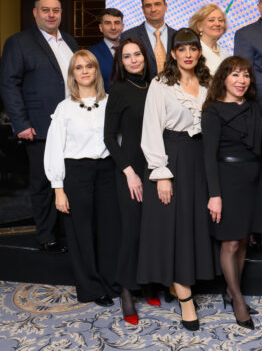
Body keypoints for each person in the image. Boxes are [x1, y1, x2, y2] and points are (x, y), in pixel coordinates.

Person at [138, 28, 219, 331]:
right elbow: (151, 129)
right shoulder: (161, 84)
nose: (187, 54)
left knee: (192, 226)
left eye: (193, 49)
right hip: (173, 157)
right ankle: (186, 300)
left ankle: (179, 283)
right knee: (173, 227)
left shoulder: (209, 83)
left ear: (199, 52)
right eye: (181, 49)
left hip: (201, 159)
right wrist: (161, 173)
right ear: (172, 53)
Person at [0, 0, 79, 253]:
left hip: (72, 125)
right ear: (35, 13)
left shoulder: (69, 40)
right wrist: (21, 123)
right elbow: (9, 84)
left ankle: (67, 232)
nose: (51, 15)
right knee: (44, 183)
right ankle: (47, 237)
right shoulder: (19, 42)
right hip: (40, 126)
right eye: (45, 10)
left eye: (56, 10)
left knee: (68, 180)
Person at [43, 50, 119, 307]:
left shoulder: (111, 102)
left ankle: (111, 282)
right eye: (79, 67)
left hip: (108, 172)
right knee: (81, 233)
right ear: (72, 74)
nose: (85, 71)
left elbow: (119, 140)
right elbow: (54, 148)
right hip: (77, 173)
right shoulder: (64, 108)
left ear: (96, 70)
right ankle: (92, 288)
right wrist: (58, 188)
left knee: (109, 230)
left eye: (89, 66)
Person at [202, 56, 262, 331]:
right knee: (229, 243)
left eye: (246, 75)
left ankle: (232, 290)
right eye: (235, 75)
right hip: (226, 181)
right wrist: (214, 194)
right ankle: (238, 300)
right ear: (224, 78)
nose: (241, 81)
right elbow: (208, 156)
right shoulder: (213, 110)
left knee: (242, 240)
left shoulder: (254, 107)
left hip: (251, 180)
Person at [102, 37, 151, 325]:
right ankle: (126, 291)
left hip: (154, 167)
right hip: (130, 169)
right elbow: (109, 137)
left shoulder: (153, 85)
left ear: (145, 56)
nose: (134, 60)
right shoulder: (119, 89)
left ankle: (147, 283)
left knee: (150, 229)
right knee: (131, 230)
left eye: (137, 54)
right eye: (127, 56)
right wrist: (129, 172)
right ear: (120, 62)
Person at [121, 0, 176, 81]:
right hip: (141, 88)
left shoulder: (177, 36)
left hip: (174, 88)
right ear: (142, 9)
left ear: (165, 6)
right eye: (148, 6)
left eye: (157, 4)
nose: (153, 9)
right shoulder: (128, 36)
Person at [188, 4, 230, 75]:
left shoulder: (226, 54)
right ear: (199, 26)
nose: (217, 24)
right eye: (211, 20)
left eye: (221, 20)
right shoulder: (191, 51)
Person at [89, 8, 124, 92]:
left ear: (122, 26)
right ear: (101, 27)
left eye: (117, 23)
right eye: (108, 23)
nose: (113, 27)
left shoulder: (131, 50)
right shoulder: (91, 54)